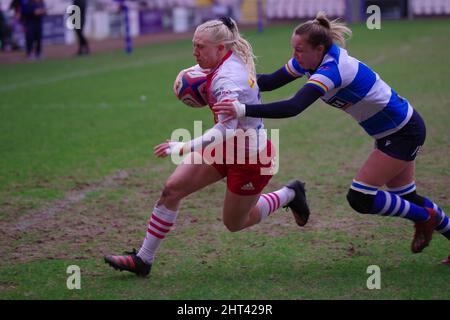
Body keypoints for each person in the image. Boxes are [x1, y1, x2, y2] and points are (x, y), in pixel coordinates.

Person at [213, 12, 449, 264]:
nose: (295, 55)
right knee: (407, 198)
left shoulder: (332, 68)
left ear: (320, 48)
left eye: (299, 49)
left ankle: (423, 218)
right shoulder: (308, 61)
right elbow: (268, 82)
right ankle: (426, 216)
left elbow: (294, 107)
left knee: (360, 197)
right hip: (391, 133)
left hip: (403, 132)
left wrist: (243, 109)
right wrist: (226, 83)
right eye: (293, 48)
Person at [104, 17, 311, 277]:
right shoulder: (223, 59)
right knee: (172, 189)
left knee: (235, 223)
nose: (195, 52)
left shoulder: (228, 78)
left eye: (200, 46)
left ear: (221, 48)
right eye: (194, 45)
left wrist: (184, 146)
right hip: (222, 148)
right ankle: (143, 259)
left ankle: (290, 194)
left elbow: (227, 128)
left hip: (250, 158)